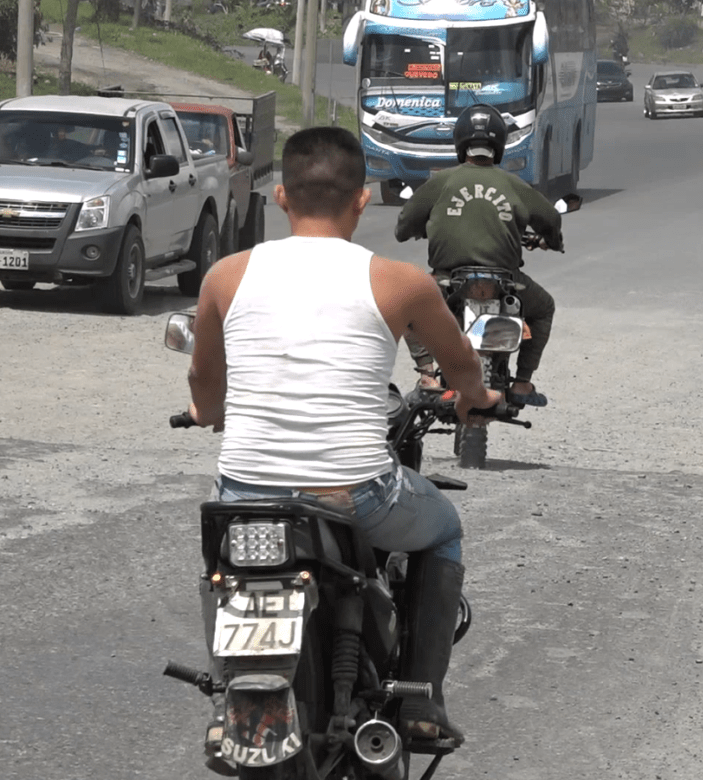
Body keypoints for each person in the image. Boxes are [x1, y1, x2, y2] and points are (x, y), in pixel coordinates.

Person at [185, 126, 501, 765]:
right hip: (356, 494)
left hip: (244, 495)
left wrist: (205, 412)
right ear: (362, 201)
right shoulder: (399, 282)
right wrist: (477, 399)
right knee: (443, 530)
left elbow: (205, 385)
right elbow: (462, 365)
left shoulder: (226, 275)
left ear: (280, 197)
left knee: (227, 570)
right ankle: (420, 703)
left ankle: (229, 694)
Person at [394, 103, 563, 407]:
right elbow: (550, 217)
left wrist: (413, 230)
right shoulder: (514, 184)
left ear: (460, 143)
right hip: (507, 281)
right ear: (499, 145)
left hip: (449, 280)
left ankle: (428, 377)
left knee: (407, 301)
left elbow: (405, 224)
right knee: (544, 308)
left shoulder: (441, 182)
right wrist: (552, 239)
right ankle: (522, 383)